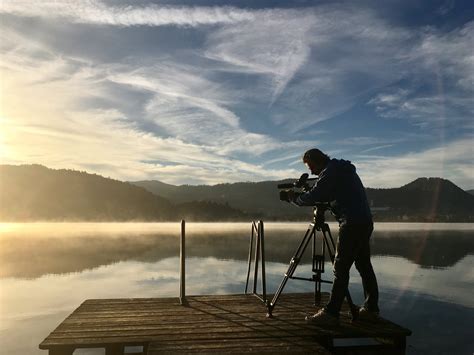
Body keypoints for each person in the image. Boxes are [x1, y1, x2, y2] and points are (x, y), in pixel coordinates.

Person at [289, 148, 379, 325]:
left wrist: (295, 199)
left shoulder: (330, 172)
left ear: (317, 161)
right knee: (364, 266)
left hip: (351, 223)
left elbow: (316, 195)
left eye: (311, 166)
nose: (311, 171)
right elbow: (327, 194)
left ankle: (331, 313)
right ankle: (371, 309)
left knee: (340, 268)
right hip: (363, 222)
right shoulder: (340, 169)